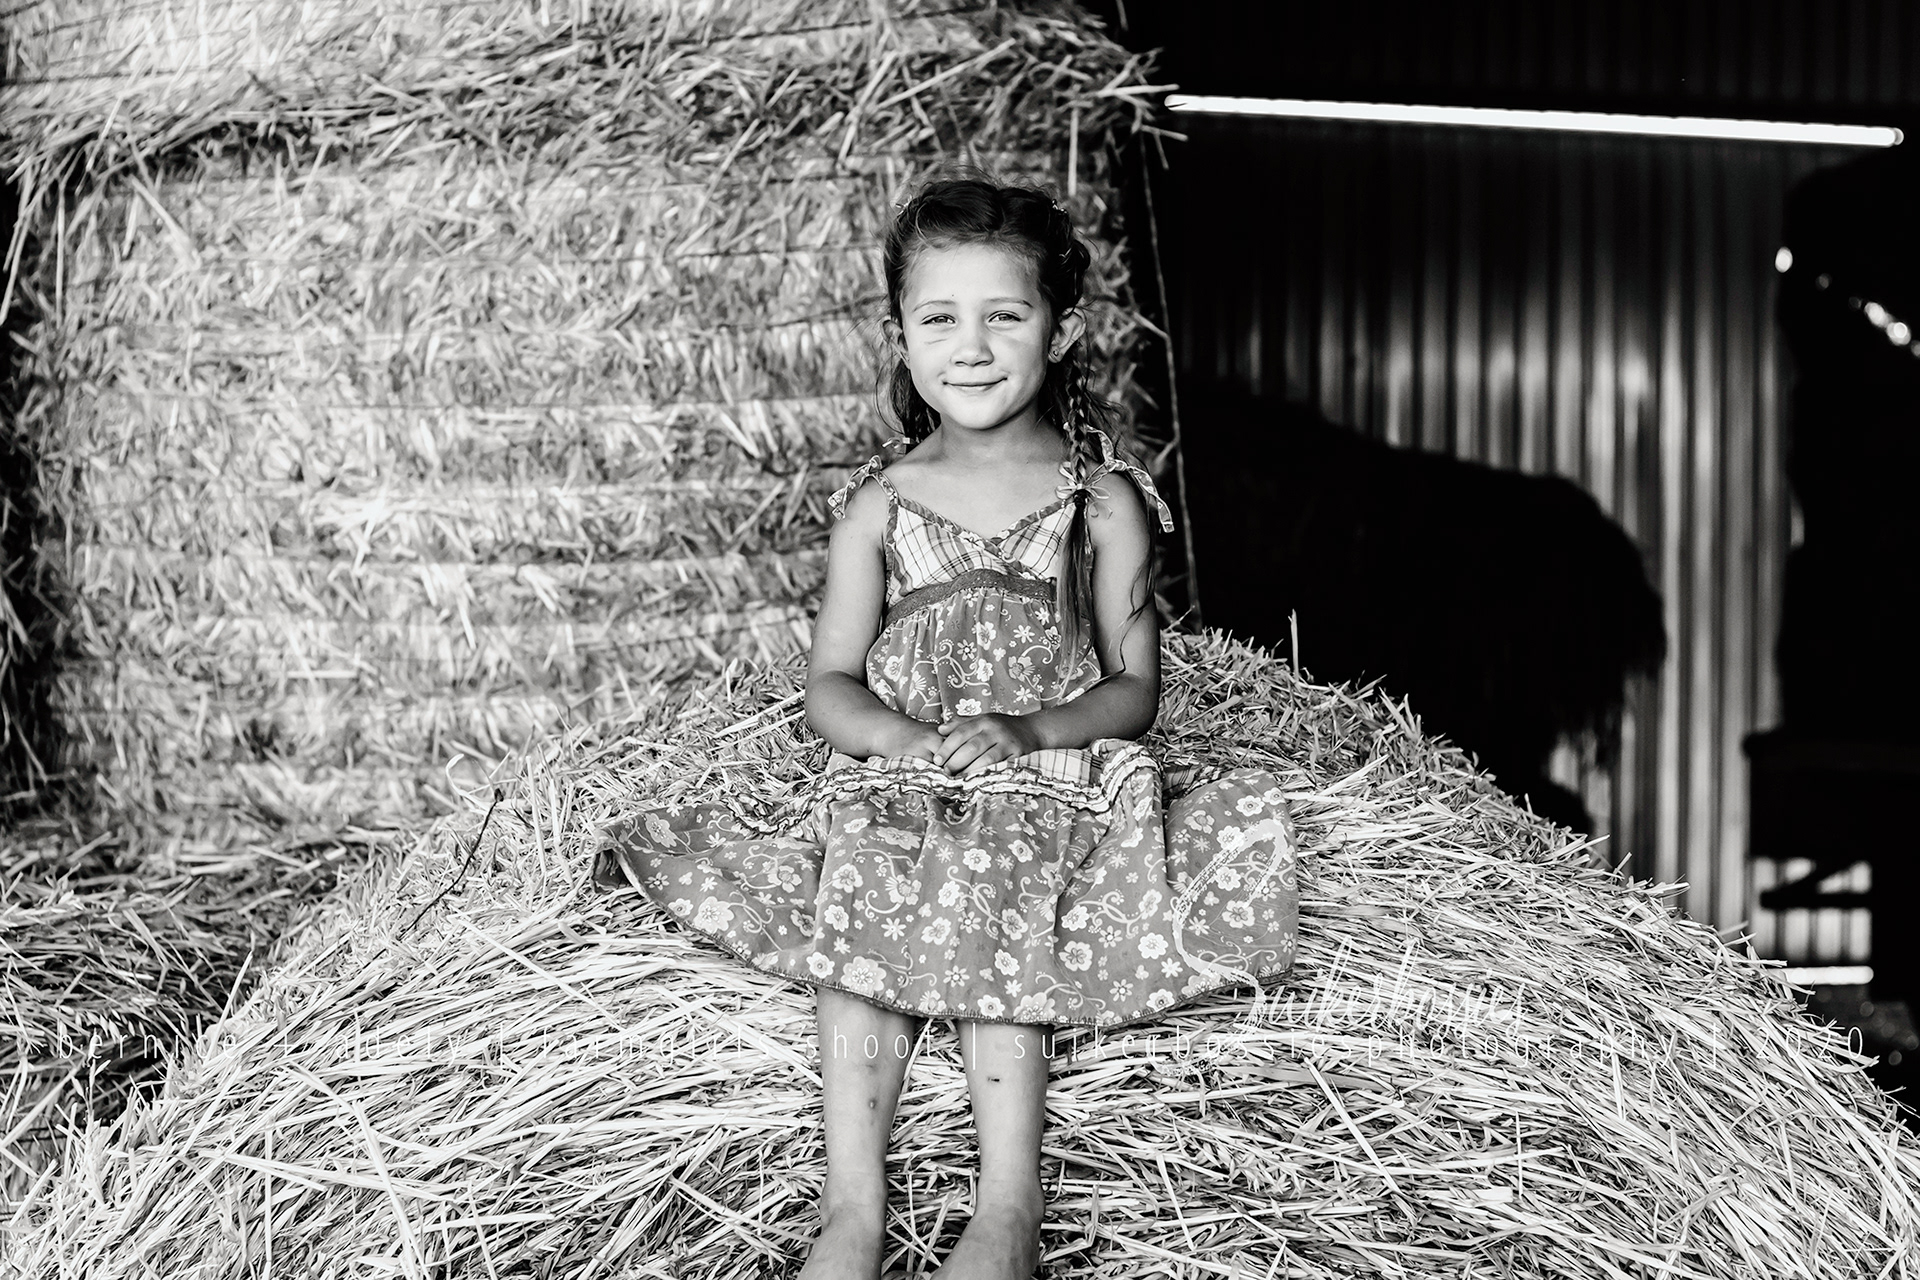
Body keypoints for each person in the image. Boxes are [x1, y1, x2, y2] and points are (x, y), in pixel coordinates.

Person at [593, 176, 1297, 1280]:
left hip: (1048, 783)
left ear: (1059, 332)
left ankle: (1005, 1209)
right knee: (862, 895)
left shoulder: (1099, 500)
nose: (971, 347)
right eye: (939, 319)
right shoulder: (879, 506)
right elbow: (829, 680)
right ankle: (852, 1206)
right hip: (907, 776)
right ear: (901, 338)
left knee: (1002, 893)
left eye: (1004, 316)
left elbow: (1133, 691)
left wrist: (1030, 730)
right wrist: (894, 741)